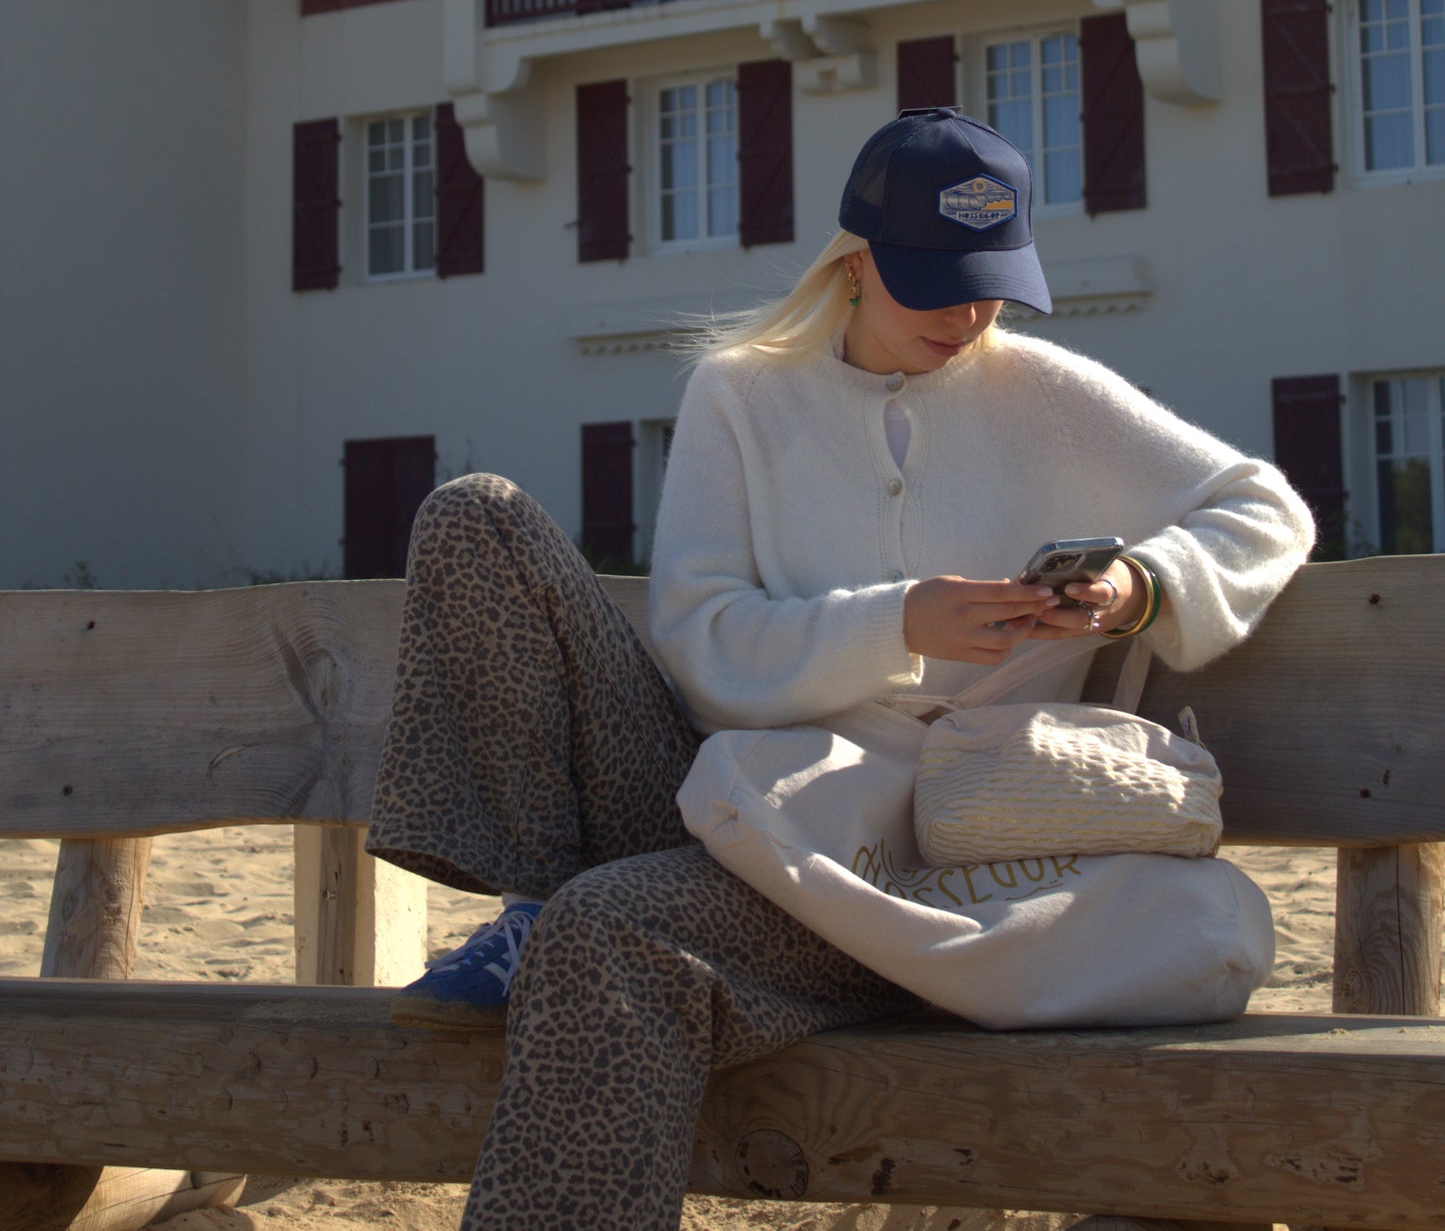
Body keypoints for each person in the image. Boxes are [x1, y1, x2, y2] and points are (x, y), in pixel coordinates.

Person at [367, 107, 1314, 1231]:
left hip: (905, 866)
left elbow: (1263, 507)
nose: (969, 315)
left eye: (991, 282)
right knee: (477, 520)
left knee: (610, 930)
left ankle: (561, 917)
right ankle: (533, 895)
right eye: (937, 280)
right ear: (854, 263)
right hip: (721, 787)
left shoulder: (1051, 393)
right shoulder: (738, 392)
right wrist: (901, 621)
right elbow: (704, 643)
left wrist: (1138, 586)